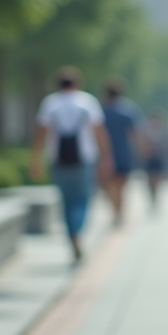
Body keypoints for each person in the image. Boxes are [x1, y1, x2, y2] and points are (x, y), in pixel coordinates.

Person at [31, 67, 112, 262]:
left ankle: (72, 236)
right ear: (78, 83)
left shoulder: (50, 103)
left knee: (67, 202)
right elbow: (99, 133)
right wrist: (107, 158)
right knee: (83, 199)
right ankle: (77, 233)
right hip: (84, 160)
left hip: (58, 160)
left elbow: (41, 133)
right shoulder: (87, 102)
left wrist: (35, 160)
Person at [101, 78, 144, 225]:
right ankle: (119, 212)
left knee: (110, 186)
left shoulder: (102, 111)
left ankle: (116, 211)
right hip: (124, 154)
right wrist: (141, 150)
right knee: (122, 187)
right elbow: (135, 133)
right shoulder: (128, 110)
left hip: (106, 155)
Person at [140, 111, 168, 209]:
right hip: (149, 158)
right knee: (150, 179)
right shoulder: (146, 131)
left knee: (158, 179)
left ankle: (156, 195)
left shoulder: (163, 132)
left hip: (159, 158)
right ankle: (151, 195)